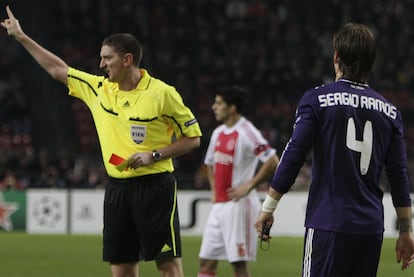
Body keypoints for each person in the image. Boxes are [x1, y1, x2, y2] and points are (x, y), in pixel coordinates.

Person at [1, 6, 202, 277]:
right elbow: (57, 69)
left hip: (155, 188)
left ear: (127, 59)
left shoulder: (162, 93)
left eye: (107, 58)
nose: (101, 64)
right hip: (117, 189)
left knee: (167, 266)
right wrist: (21, 37)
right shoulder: (99, 89)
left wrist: (154, 155)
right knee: (121, 269)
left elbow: (193, 139)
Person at [255, 22, 414, 276]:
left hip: (329, 223)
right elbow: (398, 175)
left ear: (336, 57)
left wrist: (268, 208)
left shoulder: (317, 99)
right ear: (371, 62)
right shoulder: (390, 112)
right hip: (370, 229)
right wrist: (406, 230)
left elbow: (294, 154)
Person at [198, 86, 279, 277]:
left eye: (218, 103)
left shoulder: (246, 131)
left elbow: (272, 161)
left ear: (232, 108)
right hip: (219, 206)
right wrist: (213, 190)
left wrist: (249, 185)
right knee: (206, 261)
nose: (213, 107)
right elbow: (209, 164)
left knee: (238, 265)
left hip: (239, 206)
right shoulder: (218, 133)